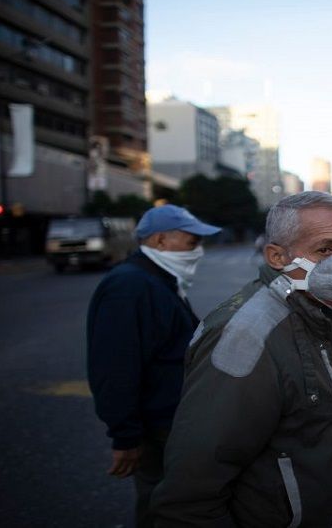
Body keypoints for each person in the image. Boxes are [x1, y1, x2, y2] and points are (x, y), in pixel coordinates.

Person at [151, 191, 332, 527]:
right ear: (277, 256)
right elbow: (190, 496)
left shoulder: (315, 311)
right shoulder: (246, 337)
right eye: (326, 249)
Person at [86, 204, 221, 528]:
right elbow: (115, 366)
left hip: (172, 418)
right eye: (192, 242)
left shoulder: (159, 278)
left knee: (176, 501)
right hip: (157, 424)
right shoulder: (130, 286)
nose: (198, 251)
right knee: (163, 505)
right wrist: (125, 436)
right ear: (161, 240)